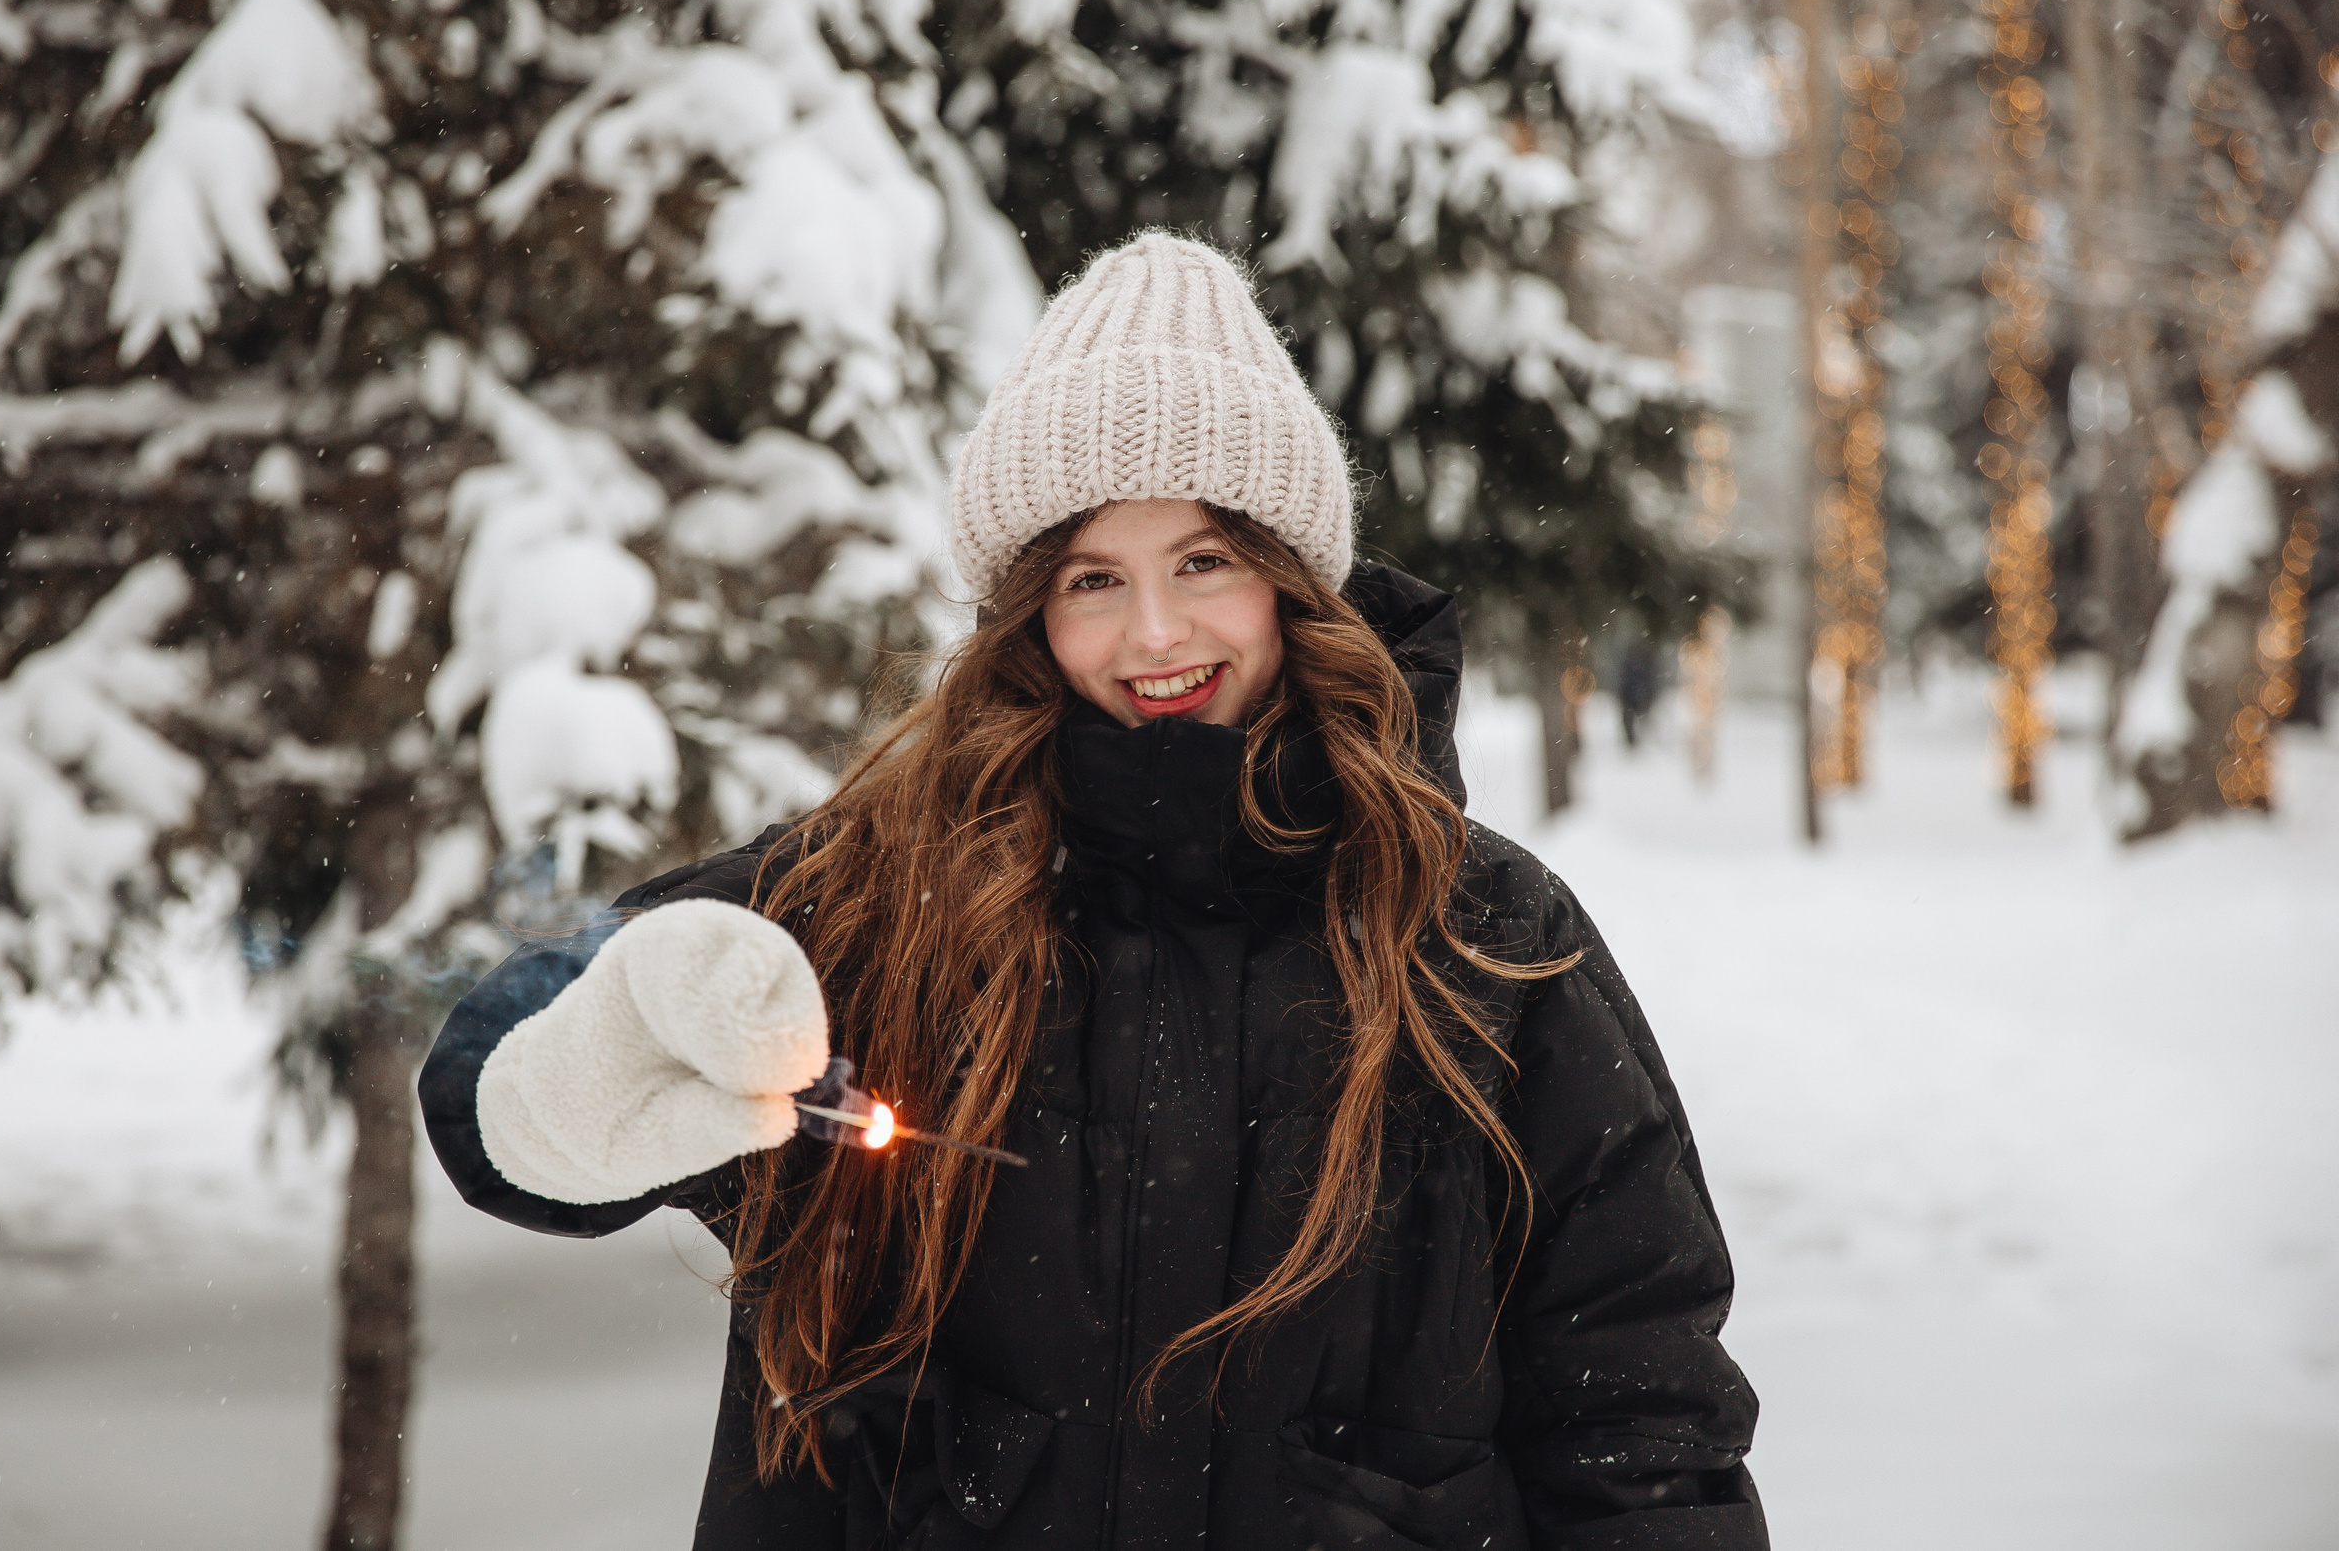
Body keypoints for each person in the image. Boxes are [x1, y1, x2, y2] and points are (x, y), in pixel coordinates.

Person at [421, 233, 1767, 1550]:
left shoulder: (1487, 938)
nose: (1157, 634)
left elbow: (1642, 1420)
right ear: (1029, 610)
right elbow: (501, 1080)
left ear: (1292, 580)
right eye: (1093, 580)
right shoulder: (872, 896)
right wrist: (568, 1075)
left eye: (1205, 562)